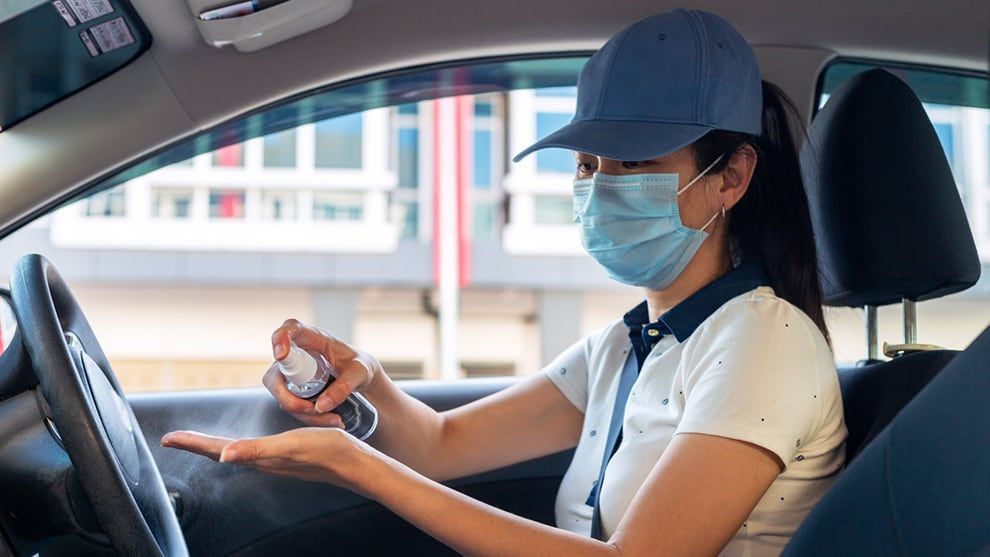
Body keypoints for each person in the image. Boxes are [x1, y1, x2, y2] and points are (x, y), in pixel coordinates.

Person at [162, 8, 847, 556]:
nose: (601, 187)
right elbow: (441, 444)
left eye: (634, 159)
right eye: (586, 164)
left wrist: (357, 465)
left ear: (731, 176)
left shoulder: (764, 342)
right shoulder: (629, 344)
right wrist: (365, 376)